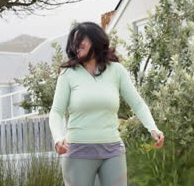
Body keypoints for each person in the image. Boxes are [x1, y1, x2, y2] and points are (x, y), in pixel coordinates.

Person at [49, 22, 165, 186]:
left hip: (112, 150)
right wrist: (58, 138)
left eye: (80, 42)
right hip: (78, 151)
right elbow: (56, 112)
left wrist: (153, 128)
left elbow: (137, 103)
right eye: (73, 44)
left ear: (95, 41)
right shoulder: (68, 73)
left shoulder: (116, 70)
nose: (76, 47)